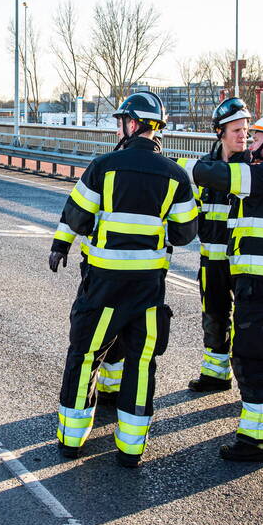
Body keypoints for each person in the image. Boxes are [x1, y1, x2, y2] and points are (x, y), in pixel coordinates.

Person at [50, 92, 198, 467]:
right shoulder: (176, 175)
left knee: (85, 356)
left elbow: (78, 216)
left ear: (132, 124)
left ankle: (72, 440)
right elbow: (184, 234)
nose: (119, 127)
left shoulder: (104, 166)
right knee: (141, 361)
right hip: (148, 287)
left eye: (121, 121)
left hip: (103, 284)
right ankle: (131, 448)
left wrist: (60, 245)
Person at [182, 114, 263, 461]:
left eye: (256, 137)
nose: (250, 143)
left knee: (251, 359)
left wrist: (176, 164)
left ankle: (257, 439)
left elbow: (212, 174)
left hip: (259, 286)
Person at [179, 98, 253, 393]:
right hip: (212, 258)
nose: (243, 136)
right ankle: (215, 375)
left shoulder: (252, 167)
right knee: (213, 316)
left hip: (246, 262)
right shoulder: (205, 169)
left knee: (248, 323)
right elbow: (193, 209)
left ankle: (252, 384)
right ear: (219, 132)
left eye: (245, 130)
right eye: (236, 130)